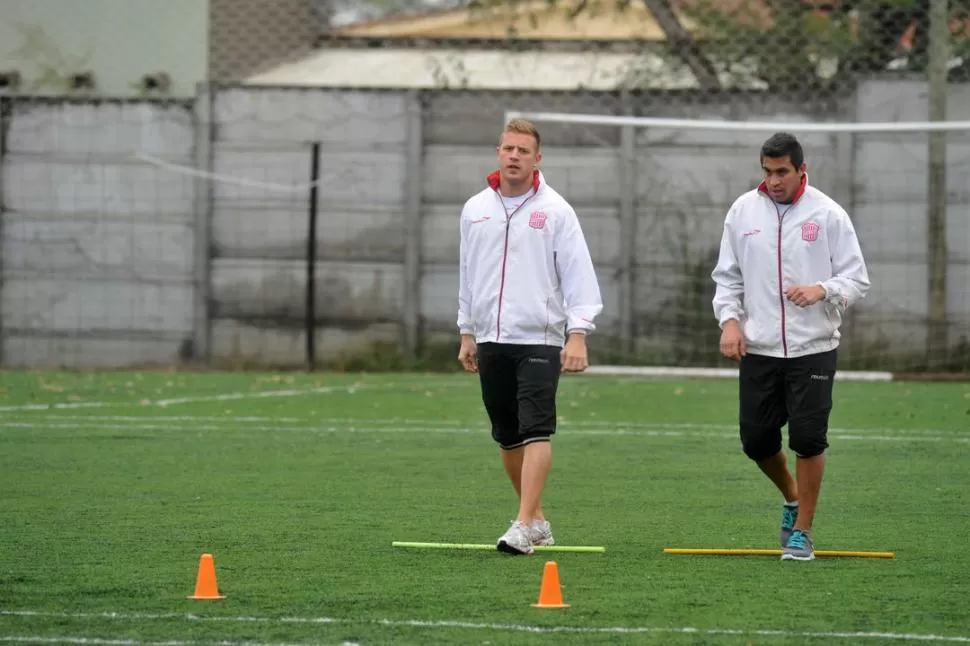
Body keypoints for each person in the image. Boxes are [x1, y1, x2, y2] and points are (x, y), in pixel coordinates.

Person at [711, 132, 871, 561]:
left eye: (782, 172)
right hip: (759, 348)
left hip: (812, 347)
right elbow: (727, 278)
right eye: (767, 171)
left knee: (807, 438)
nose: (774, 180)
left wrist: (822, 289)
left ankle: (803, 532)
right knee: (756, 441)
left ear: (802, 171)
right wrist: (730, 323)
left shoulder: (829, 215)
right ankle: (792, 496)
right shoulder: (743, 211)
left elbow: (857, 279)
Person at [456, 118, 603, 555]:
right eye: (508, 149)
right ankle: (537, 519)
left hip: (539, 338)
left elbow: (578, 275)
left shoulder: (556, 211)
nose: (514, 156)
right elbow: (468, 274)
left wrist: (577, 334)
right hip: (490, 337)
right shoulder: (475, 209)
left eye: (523, 150)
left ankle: (521, 524)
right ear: (498, 153)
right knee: (507, 434)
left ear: (537, 158)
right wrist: (467, 330)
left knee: (536, 428)